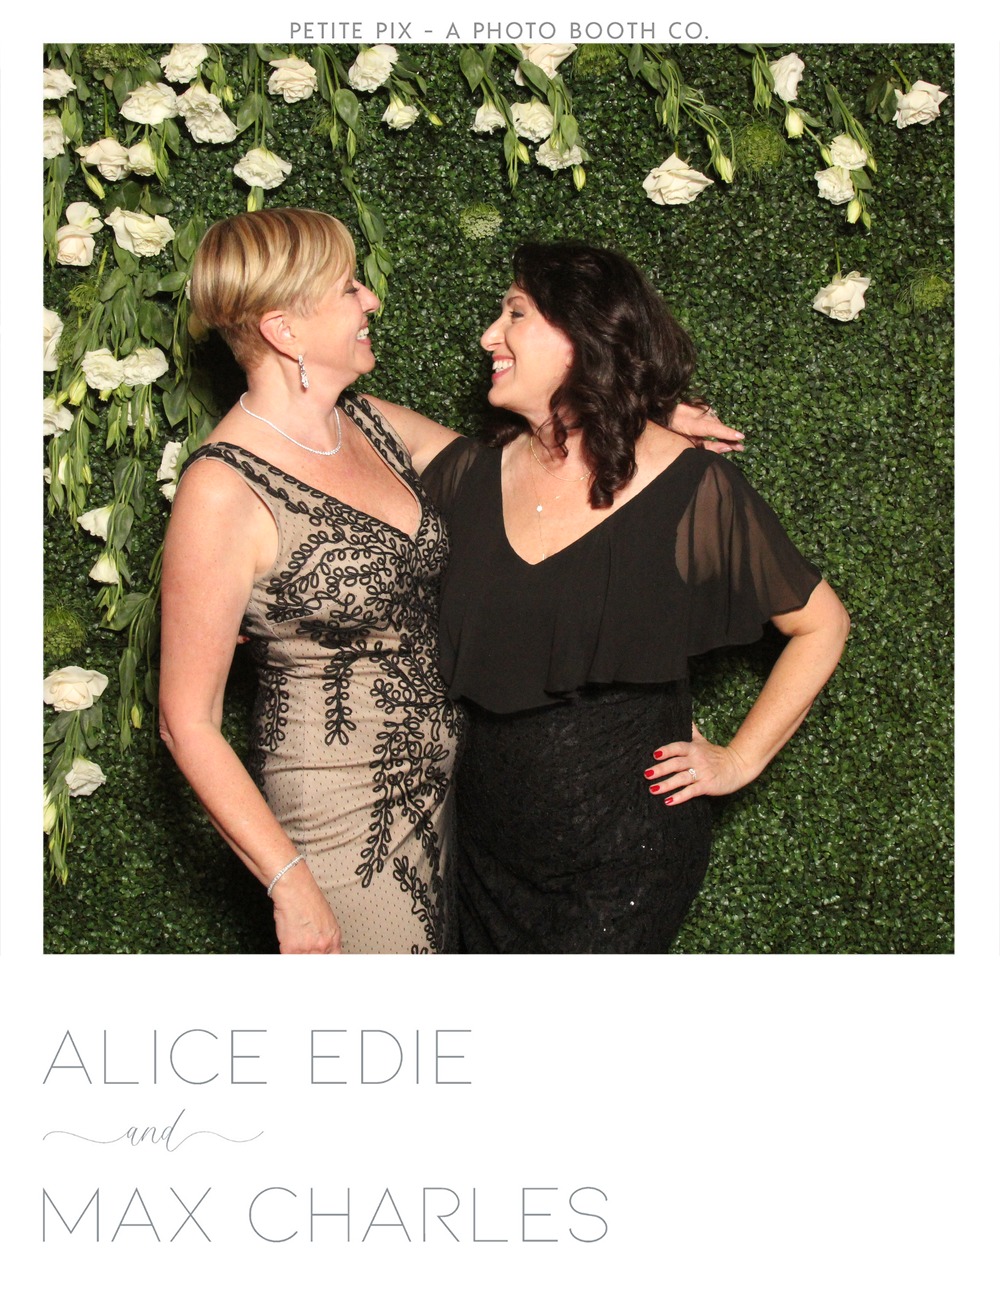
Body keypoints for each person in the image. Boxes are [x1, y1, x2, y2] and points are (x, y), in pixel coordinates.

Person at [158, 210, 740, 955]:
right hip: (343, 821)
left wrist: (638, 418)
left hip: (454, 798)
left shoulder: (369, 425)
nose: (371, 300)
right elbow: (187, 721)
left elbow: (524, 475)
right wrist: (289, 882)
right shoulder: (222, 488)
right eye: (349, 288)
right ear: (284, 329)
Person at [405, 241, 851, 953]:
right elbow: (326, 410)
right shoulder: (468, 473)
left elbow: (821, 625)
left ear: (582, 334)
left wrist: (739, 759)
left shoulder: (691, 485)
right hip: (481, 855)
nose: (489, 335)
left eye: (514, 313)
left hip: (623, 861)